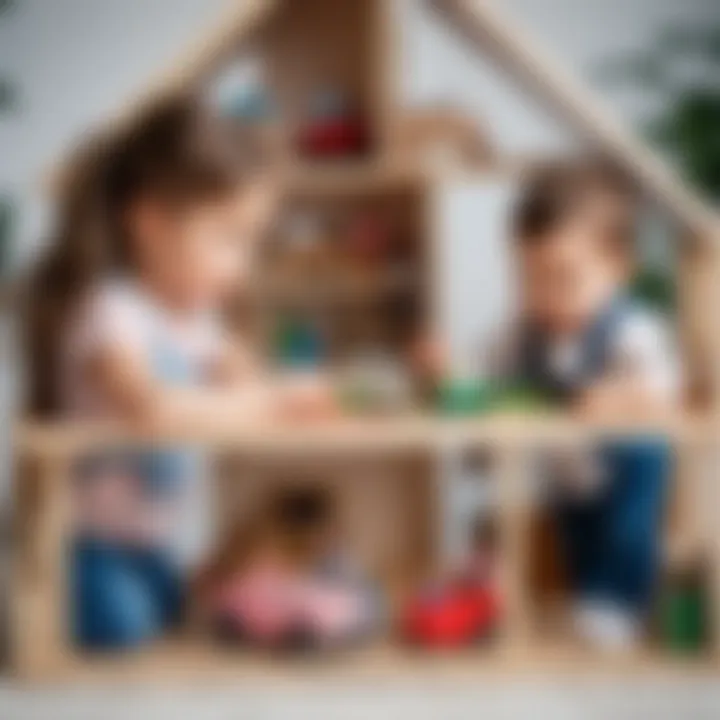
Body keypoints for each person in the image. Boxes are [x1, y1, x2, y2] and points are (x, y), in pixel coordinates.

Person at [24, 95, 333, 651]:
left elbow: (251, 381)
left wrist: (290, 394)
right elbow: (150, 408)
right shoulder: (109, 313)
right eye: (227, 237)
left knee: (189, 613)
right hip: (89, 541)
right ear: (151, 223)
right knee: (121, 627)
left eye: (251, 242)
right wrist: (261, 404)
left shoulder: (200, 323)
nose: (242, 264)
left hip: (153, 543)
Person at [419, 159, 681, 650]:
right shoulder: (521, 332)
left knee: (627, 536)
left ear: (619, 268)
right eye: (529, 277)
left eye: (564, 277)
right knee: (576, 544)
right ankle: (593, 611)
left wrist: (619, 397)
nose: (545, 295)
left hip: (623, 467)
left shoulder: (631, 330)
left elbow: (663, 393)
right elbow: (480, 381)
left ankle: (620, 608)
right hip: (567, 475)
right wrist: (447, 373)